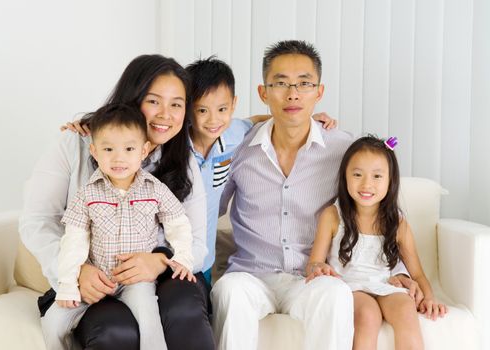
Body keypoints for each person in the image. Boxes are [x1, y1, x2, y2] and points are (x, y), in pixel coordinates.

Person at [211, 40, 422, 350]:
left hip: (312, 277)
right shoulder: (239, 149)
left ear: (319, 92)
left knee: (336, 294)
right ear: (263, 92)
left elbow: (375, 208)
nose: (293, 94)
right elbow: (209, 210)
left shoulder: (342, 149)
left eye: (304, 84)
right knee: (229, 290)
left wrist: (397, 271)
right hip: (251, 275)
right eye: (281, 83)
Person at [20, 54, 215, 349]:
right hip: (95, 275)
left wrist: (160, 261)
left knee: (183, 307)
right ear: (132, 97)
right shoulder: (77, 144)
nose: (166, 114)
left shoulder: (181, 159)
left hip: (160, 273)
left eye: (177, 104)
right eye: (153, 101)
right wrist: (74, 271)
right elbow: (38, 220)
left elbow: (197, 240)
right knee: (116, 331)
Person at [42, 103, 197, 350]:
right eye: (108, 149)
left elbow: (178, 224)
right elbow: (74, 241)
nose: (118, 158)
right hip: (98, 277)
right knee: (52, 323)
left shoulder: (155, 189)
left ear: (144, 150)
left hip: (136, 280)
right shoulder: (87, 194)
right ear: (94, 150)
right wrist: (69, 284)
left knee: (149, 318)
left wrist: (183, 258)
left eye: (128, 149)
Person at [184, 56, 337, 286]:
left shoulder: (234, 133)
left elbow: (254, 120)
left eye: (304, 84)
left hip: (200, 263)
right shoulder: (177, 145)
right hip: (175, 250)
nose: (213, 119)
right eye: (202, 110)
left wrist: (303, 118)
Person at [306, 135, 447, 350]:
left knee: (406, 311)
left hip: (385, 284)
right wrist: (319, 268)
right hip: (348, 287)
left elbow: (417, 273)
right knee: (367, 315)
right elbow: (314, 263)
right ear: (345, 176)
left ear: (391, 180)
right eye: (357, 174)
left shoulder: (397, 223)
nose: (366, 184)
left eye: (377, 176)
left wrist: (429, 298)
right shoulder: (332, 215)